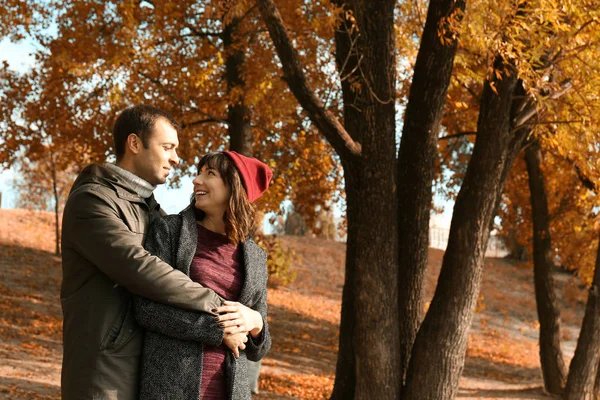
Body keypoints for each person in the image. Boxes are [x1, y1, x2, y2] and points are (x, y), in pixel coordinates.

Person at [60, 105, 223, 400]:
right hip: (104, 371)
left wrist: (252, 318)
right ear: (135, 144)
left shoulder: (149, 208)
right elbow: (140, 268)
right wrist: (218, 306)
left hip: (148, 366)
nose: (175, 158)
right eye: (167, 147)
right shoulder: (92, 201)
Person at [134, 151, 272, 399]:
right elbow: (146, 309)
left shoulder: (256, 257)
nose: (196, 180)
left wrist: (256, 322)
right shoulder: (170, 232)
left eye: (210, 173)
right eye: (199, 172)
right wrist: (216, 331)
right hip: (172, 387)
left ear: (234, 186)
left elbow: (258, 350)